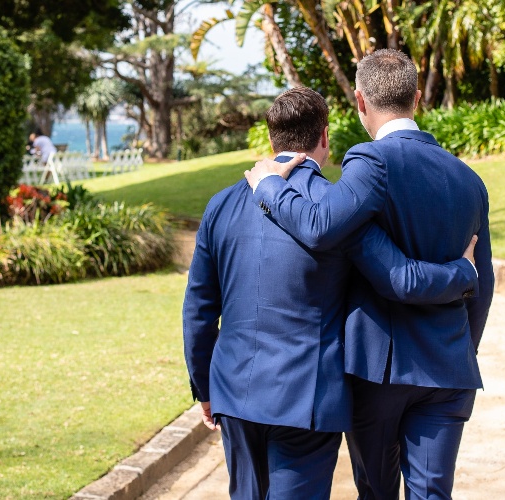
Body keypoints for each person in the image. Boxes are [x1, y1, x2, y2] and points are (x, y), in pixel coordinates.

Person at [183, 87, 480, 500]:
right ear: (324, 136)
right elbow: (398, 277)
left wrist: (205, 387)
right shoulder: (339, 210)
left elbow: (198, 309)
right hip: (308, 396)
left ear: (272, 140)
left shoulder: (221, 205)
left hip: (234, 391)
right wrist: (463, 271)